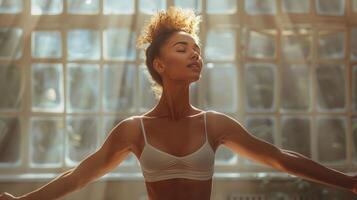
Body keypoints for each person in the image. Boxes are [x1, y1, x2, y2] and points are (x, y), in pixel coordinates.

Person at [1, 6, 357, 200]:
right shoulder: (133, 130)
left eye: (197, 50)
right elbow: (78, 177)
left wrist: (349, 181)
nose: (195, 56)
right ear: (160, 64)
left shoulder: (214, 125)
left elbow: (280, 159)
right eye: (183, 49)